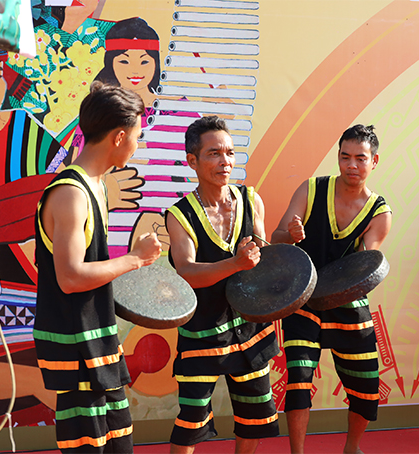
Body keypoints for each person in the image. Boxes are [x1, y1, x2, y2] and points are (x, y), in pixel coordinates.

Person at [33, 81, 162, 453]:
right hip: (77, 351)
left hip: (98, 344)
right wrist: (134, 259)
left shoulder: (96, 185)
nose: (139, 144)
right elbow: (71, 276)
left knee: (118, 446)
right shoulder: (71, 193)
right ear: (119, 137)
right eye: (138, 136)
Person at [271, 124, 393, 454]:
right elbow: (276, 237)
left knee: (366, 385)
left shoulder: (379, 211)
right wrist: (291, 234)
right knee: (298, 381)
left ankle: (351, 447)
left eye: (360, 158)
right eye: (345, 157)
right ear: (338, 157)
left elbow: (364, 267)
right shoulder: (311, 189)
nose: (351, 165)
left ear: (374, 161)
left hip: (348, 302)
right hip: (304, 299)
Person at [165, 116, 279, 454]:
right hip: (202, 333)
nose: (225, 161)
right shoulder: (179, 215)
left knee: (253, 417)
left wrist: (284, 245)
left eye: (229, 152)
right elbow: (186, 271)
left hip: (251, 329)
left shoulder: (250, 199)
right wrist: (234, 263)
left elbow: (264, 255)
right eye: (214, 153)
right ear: (192, 161)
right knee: (191, 423)